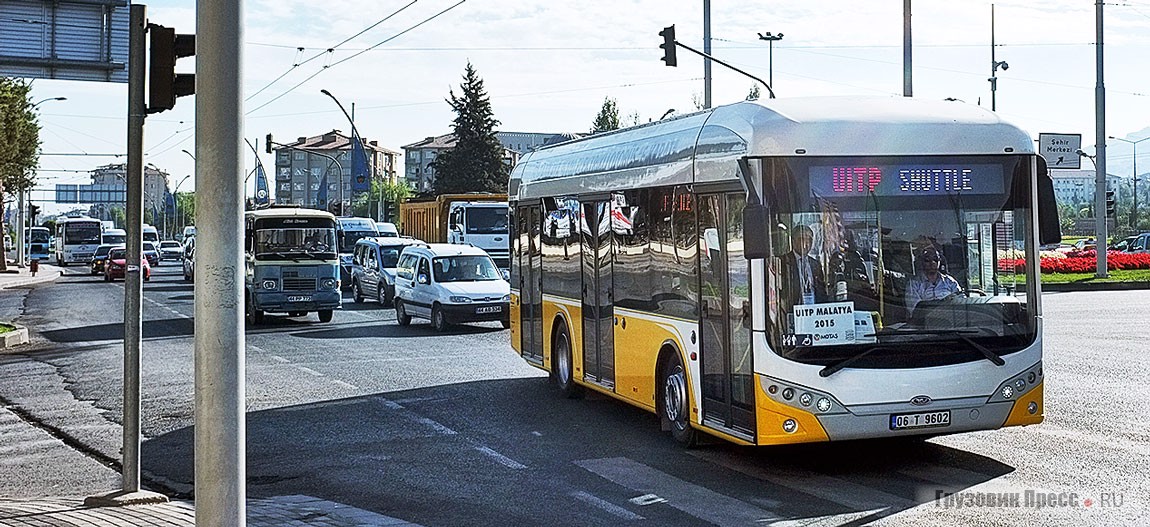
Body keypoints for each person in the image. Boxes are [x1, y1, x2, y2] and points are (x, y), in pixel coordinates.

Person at [905, 246, 962, 316]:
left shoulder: (950, 281)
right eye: (927, 260)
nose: (932, 263)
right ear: (921, 262)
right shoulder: (913, 284)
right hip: (924, 323)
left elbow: (961, 302)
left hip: (951, 319)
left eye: (935, 259)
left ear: (940, 261)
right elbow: (915, 310)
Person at [780, 224, 827, 308]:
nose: (806, 243)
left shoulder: (815, 264)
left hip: (814, 311)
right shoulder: (783, 262)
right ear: (793, 241)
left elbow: (821, 292)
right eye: (801, 239)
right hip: (793, 312)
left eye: (809, 239)